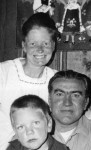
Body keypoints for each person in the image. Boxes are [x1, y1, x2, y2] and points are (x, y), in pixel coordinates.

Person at [0, 12, 57, 150]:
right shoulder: (4, 72)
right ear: (24, 46)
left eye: (45, 43)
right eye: (33, 43)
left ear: (53, 46)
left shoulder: (56, 80)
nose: (40, 49)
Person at [48, 70, 91, 150]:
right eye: (59, 94)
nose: (67, 103)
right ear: (49, 100)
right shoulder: (32, 129)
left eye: (75, 95)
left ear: (86, 102)